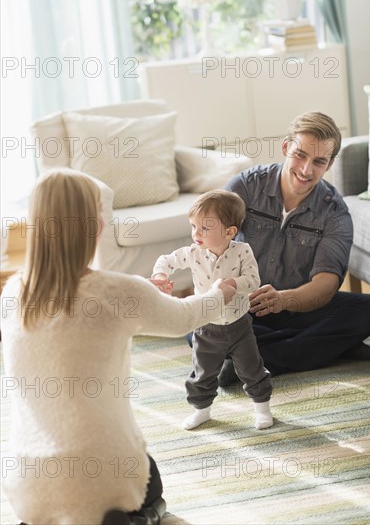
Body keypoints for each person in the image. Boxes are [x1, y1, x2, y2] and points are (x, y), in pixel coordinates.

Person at [0, 169, 236, 525]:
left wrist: (135, 290)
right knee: (150, 486)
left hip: (29, 485)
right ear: (95, 224)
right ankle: (141, 518)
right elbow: (183, 318)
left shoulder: (13, 292)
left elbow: (79, 305)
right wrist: (221, 292)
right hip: (105, 475)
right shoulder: (118, 292)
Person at [217, 111, 370, 385]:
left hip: (300, 306)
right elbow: (211, 247)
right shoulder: (244, 187)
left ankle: (255, 359)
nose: (306, 169)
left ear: (330, 164)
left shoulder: (335, 212)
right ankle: (331, 347)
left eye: (319, 162)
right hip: (244, 305)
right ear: (285, 147)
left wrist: (283, 299)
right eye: (300, 155)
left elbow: (325, 285)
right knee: (203, 324)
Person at [151, 189, 273, 431]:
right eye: (193, 226)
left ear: (229, 232)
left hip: (239, 326)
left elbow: (253, 280)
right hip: (206, 326)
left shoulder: (242, 251)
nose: (196, 233)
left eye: (204, 228)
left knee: (251, 369)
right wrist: (160, 275)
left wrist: (233, 285)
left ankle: (262, 408)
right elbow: (166, 260)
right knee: (203, 373)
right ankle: (202, 411)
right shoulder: (194, 253)